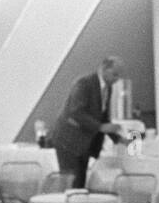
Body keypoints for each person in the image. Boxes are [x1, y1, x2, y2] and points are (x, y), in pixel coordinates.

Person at [51, 56, 125, 189]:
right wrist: (101, 127)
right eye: (114, 74)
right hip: (68, 141)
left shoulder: (108, 88)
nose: (116, 79)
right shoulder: (84, 83)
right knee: (72, 184)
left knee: (80, 184)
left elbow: (103, 117)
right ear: (103, 68)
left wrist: (119, 139)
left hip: (84, 143)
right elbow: (76, 112)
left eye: (119, 76)